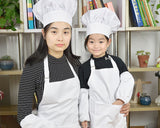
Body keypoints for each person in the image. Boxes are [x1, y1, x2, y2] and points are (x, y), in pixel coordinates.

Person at [17, 0, 81, 127]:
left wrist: (121, 103)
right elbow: (23, 115)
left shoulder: (76, 64)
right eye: (54, 32)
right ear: (44, 34)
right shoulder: (33, 67)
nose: (60, 38)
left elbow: (88, 98)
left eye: (66, 32)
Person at [78, 8, 135, 128]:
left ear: (108, 42)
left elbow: (128, 80)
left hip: (117, 112)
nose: (96, 46)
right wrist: (83, 117)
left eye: (101, 41)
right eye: (92, 41)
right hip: (96, 115)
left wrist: (121, 99)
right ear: (86, 42)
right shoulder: (84, 67)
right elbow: (83, 93)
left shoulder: (117, 62)